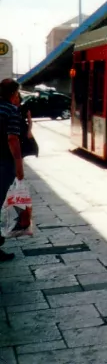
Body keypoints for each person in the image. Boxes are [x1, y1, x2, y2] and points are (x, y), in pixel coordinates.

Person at [0, 79, 26, 262]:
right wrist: (19, 165)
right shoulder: (12, 111)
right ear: (13, 94)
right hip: (3, 162)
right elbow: (12, 139)